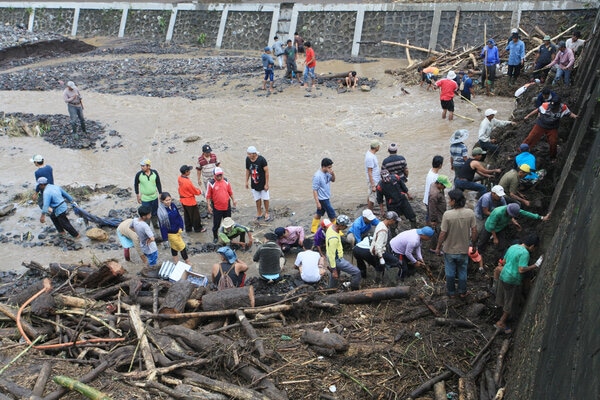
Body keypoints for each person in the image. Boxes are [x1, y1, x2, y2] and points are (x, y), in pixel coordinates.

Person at [494, 234, 541, 334]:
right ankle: (501, 322)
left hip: (504, 275)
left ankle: (501, 314)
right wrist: (535, 265)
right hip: (513, 279)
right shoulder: (525, 253)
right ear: (532, 246)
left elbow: (505, 261)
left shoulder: (513, 247)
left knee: (504, 297)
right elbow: (521, 269)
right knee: (510, 301)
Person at [434, 189, 477, 297]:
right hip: (463, 249)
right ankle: (462, 292)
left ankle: (451, 292)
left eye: (449, 199)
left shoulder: (447, 215)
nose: (448, 201)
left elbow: (442, 233)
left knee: (450, 272)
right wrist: (474, 245)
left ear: (454, 201)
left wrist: (438, 247)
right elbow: (475, 231)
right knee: (462, 271)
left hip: (449, 249)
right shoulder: (470, 213)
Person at [477, 203, 549, 254]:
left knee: (502, 244)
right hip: (489, 228)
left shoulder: (515, 209)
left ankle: (499, 255)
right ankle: (479, 253)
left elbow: (526, 213)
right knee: (482, 241)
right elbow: (491, 226)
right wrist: (495, 238)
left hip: (500, 227)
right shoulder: (497, 212)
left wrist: (541, 217)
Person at [326, 215, 362, 291]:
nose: (346, 228)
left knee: (335, 276)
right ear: (340, 225)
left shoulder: (331, 227)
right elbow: (332, 255)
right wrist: (334, 269)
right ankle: (355, 290)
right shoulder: (333, 238)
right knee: (356, 272)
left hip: (331, 256)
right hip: (336, 259)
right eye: (345, 226)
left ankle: (331, 290)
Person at [206, 167, 237, 243]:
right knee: (216, 224)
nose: (219, 177)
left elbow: (230, 192)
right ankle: (215, 237)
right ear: (214, 175)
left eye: (220, 175)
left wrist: (233, 200)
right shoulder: (211, 183)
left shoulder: (226, 181)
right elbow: (208, 196)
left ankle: (229, 236)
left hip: (227, 206)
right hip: (217, 207)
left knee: (228, 223)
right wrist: (209, 206)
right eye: (217, 175)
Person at [157, 192, 189, 265]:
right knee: (182, 246)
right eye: (166, 200)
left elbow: (178, 216)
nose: (168, 202)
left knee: (174, 247)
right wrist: (165, 239)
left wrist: (181, 226)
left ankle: (176, 262)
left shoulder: (173, 205)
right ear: (162, 201)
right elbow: (163, 226)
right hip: (171, 233)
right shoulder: (161, 212)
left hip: (178, 231)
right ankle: (187, 261)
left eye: (169, 199)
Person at [134, 158, 162, 229]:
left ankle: (155, 225)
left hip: (154, 197)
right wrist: (137, 195)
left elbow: (158, 183)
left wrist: (160, 193)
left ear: (148, 166)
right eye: (141, 166)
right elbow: (136, 184)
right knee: (146, 213)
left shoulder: (155, 172)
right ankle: (147, 227)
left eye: (143, 166)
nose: (142, 167)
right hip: (145, 198)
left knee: (155, 212)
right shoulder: (139, 174)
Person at [245, 146, 271, 221]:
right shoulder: (248, 160)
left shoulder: (262, 160)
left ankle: (266, 212)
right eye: (248, 154)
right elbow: (247, 170)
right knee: (257, 199)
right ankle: (259, 212)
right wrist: (246, 181)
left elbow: (267, 172)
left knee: (265, 198)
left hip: (262, 183)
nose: (248, 156)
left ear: (254, 154)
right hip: (254, 183)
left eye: (250, 154)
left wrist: (266, 184)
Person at [131, 205, 159, 274]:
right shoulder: (145, 226)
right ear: (144, 216)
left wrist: (138, 233)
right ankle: (150, 273)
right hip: (151, 248)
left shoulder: (134, 220)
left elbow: (131, 227)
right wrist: (149, 240)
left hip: (143, 246)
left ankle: (146, 269)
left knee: (148, 259)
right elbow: (152, 238)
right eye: (149, 214)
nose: (150, 215)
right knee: (153, 262)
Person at [311, 157, 336, 233]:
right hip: (322, 199)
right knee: (332, 214)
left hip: (326, 197)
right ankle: (336, 229)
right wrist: (317, 202)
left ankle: (313, 228)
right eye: (329, 167)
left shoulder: (327, 173)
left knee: (319, 213)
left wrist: (333, 174)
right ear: (323, 166)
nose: (330, 169)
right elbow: (314, 190)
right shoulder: (317, 176)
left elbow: (333, 180)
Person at [428, 175, 452, 251]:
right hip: (437, 215)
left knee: (439, 230)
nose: (445, 188)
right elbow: (432, 208)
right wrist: (433, 220)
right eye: (444, 186)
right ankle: (433, 248)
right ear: (439, 184)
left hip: (440, 212)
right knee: (437, 231)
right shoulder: (434, 195)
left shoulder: (434, 185)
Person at [178, 165, 205, 233]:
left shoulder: (180, 178)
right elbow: (194, 191)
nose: (190, 171)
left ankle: (188, 228)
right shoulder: (187, 182)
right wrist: (200, 191)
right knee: (195, 216)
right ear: (186, 172)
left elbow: (190, 188)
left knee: (187, 215)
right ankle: (198, 228)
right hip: (190, 201)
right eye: (189, 170)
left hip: (183, 200)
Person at [365, 140, 382, 210]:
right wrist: (373, 185)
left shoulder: (370, 154)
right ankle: (370, 212)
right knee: (372, 198)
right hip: (373, 180)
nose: (379, 147)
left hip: (375, 179)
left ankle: (369, 211)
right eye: (379, 146)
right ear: (376, 147)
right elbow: (369, 172)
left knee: (370, 195)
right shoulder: (370, 157)